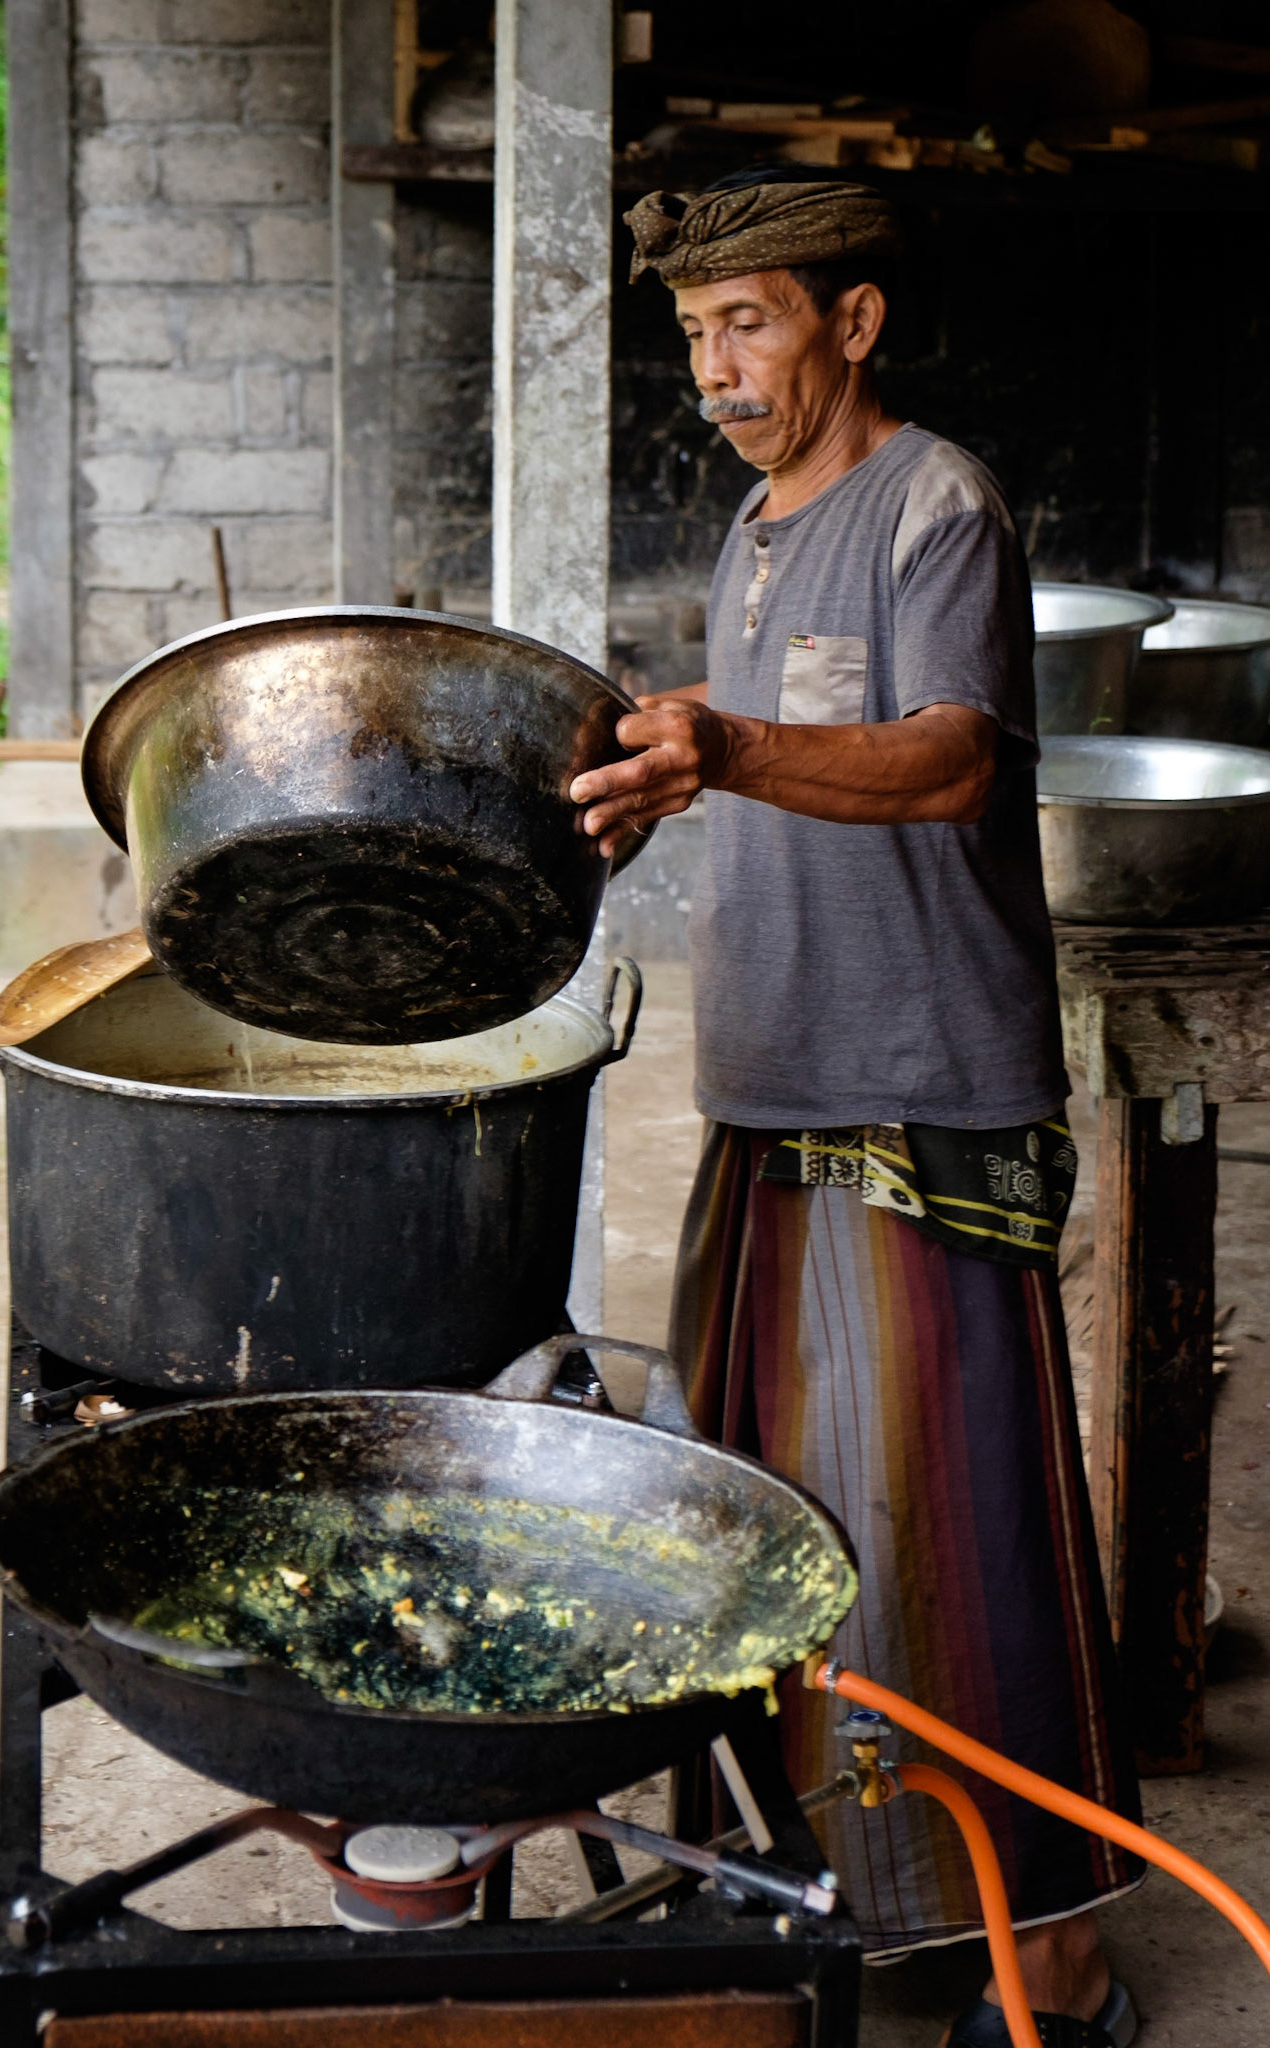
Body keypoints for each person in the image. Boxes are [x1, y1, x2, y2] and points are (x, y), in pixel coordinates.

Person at [570, 169, 1143, 2048]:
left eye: (751, 326)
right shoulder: (752, 524)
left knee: (952, 1531)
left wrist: (732, 744)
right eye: (694, 337)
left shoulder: (933, 503)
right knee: (763, 1515)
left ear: (853, 322)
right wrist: (685, 754)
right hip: (767, 1080)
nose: (719, 373)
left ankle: (1045, 1962)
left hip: (916, 1094)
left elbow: (949, 763)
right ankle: (830, 1906)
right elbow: (788, 744)